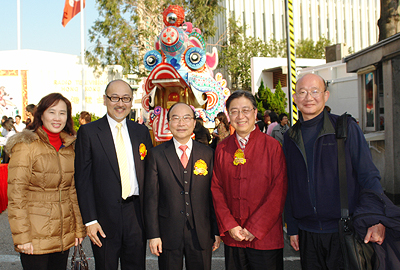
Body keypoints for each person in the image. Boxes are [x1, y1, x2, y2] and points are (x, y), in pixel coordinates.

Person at [283, 73, 385, 269]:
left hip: (344, 231)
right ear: (294, 98)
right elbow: (290, 184)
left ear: (326, 95)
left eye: (315, 91)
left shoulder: (345, 128)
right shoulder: (290, 136)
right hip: (307, 233)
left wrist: (376, 218)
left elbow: (368, 176)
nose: (308, 97)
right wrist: (292, 227)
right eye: (302, 92)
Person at [74, 79, 153, 270]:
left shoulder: (141, 131)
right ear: (105, 99)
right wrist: (90, 220)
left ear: (132, 101)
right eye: (114, 98)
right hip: (104, 218)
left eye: (126, 98)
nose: (120, 104)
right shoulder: (89, 132)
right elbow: (83, 180)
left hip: (136, 215)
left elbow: (150, 175)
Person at [6, 93, 86, 270]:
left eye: (62, 113)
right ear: (41, 114)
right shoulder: (26, 146)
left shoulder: (69, 147)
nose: (57, 118)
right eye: (52, 112)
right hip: (35, 238)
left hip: (62, 234)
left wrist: (78, 228)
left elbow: (72, 191)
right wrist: (23, 238)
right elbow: (16, 196)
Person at [211, 90, 287, 270]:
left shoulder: (272, 146)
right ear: (228, 115)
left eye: (245, 110)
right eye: (234, 111)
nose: (240, 116)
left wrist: (255, 228)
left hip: (265, 238)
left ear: (255, 112)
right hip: (234, 236)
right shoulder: (222, 148)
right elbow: (217, 189)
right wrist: (230, 225)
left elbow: (279, 190)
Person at [144, 102, 221, 270]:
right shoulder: (156, 155)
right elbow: (151, 198)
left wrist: (216, 230)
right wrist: (154, 235)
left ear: (194, 123)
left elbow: (214, 196)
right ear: (168, 123)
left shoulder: (207, 154)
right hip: (168, 233)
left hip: (201, 232)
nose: (181, 123)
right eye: (176, 118)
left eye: (187, 118)